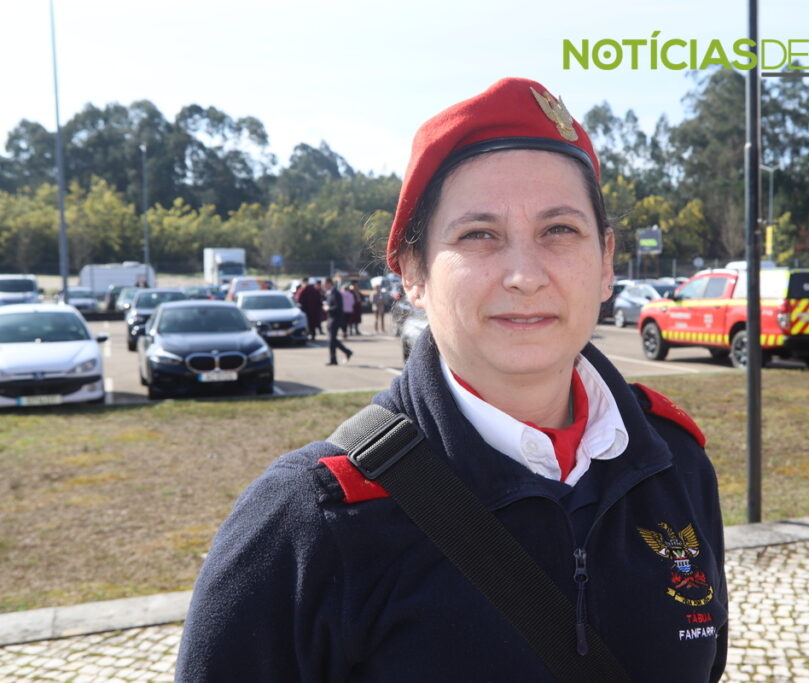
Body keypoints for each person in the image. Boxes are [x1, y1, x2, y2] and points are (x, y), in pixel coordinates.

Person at [176, 78, 727, 682]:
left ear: (605, 262)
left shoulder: (676, 464)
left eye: (560, 230)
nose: (524, 275)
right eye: (478, 235)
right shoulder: (310, 520)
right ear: (413, 273)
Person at [321, 277, 353, 365]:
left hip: (335, 319)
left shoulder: (336, 293)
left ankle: (338, 357)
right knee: (332, 340)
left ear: (329, 283)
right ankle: (339, 356)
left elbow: (338, 307)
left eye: (324, 284)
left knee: (332, 340)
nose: (323, 286)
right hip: (330, 319)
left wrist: (328, 308)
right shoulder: (329, 293)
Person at [297, 277, 324, 341]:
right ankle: (313, 335)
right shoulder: (315, 290)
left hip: (306, 310)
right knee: (312, 324)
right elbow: (319, 300)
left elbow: (298, 299)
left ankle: (309, 334)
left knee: (307, 323)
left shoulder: (303, 289)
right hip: (314, 311)